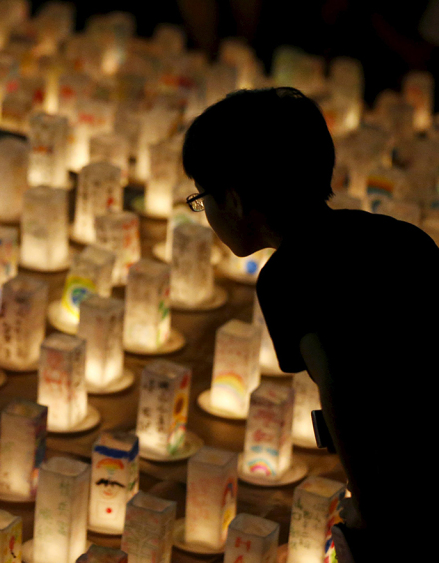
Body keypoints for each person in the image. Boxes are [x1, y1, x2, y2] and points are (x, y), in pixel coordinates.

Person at [181, 87, 439, 561]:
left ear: (233, 200)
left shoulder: (287, 277)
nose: (206, 213)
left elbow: (339, 387)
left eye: (202, 198)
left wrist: (370, 506)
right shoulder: (398, 236)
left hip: (408, 477)